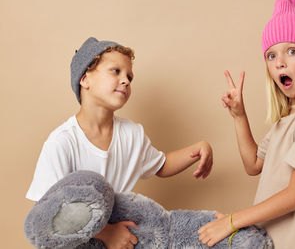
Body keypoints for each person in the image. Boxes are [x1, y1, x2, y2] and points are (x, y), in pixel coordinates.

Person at [26, 37, 213, 249]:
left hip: (124, 236)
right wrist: (106, 233)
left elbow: (162, 165)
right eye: (116, 71)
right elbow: (45, 215)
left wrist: (198, 149)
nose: (125, 80)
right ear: (85, 79)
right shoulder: (62, 142)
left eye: (129, 77)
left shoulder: (132, 134)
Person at [198, 0, 295, 249]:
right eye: (271, 55)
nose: (280, 63)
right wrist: (239, 115)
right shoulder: (287, 119)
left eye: (292, 51)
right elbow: (254, 164)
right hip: (271, 242)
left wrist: (232, 222)